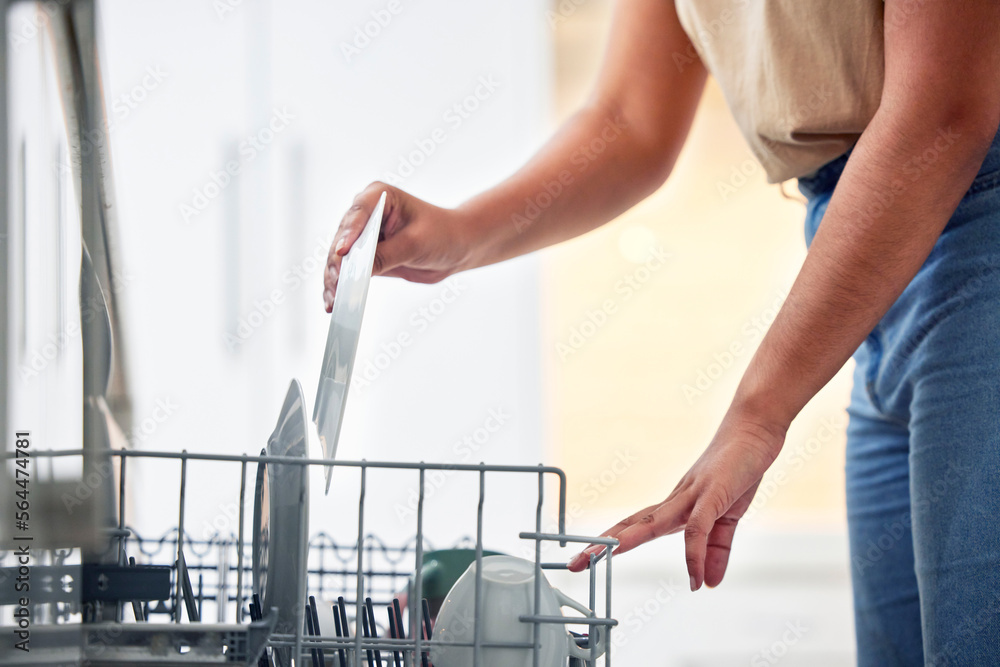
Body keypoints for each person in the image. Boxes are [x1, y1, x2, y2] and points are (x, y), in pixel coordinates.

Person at [324, 1, 1000, 664]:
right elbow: (630, 118)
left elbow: (940, 116)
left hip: (969, 222)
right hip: (865, 244)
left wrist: (757, 414)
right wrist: (460, 235)